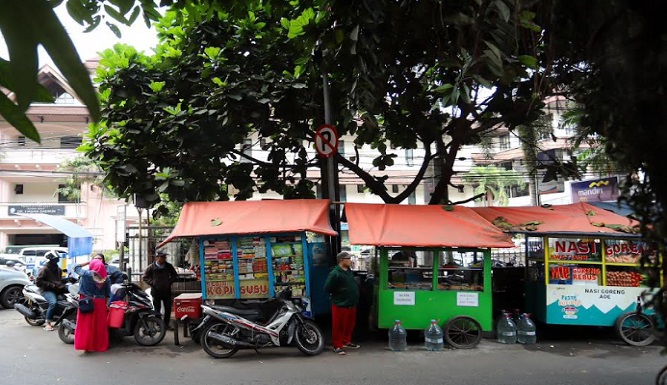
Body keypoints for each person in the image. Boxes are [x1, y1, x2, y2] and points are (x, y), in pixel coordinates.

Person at [324, 251, 360, 355]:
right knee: (339, 326)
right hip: (340, 304)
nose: (350, 260)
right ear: (341, 260)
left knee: (349, 324)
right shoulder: (335, 273)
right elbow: (327, 287)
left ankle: (346, 341)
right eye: (348, 259)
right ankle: (337, 346)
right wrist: (340, 292)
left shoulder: (348, 271)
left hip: (351, 303)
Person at [73, 259, 110, 352]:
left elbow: (75, 267)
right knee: (100, 326)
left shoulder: (86, 274)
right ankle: (99, 346)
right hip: (100, 302)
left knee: (85, 325)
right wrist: (106, 305)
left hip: (86, 301)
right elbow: (107, 294)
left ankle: (86, 346)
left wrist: (88, 262)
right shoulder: (106, 278)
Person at [143, 250, 178, 330]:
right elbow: (145, 277)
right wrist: (153, 283)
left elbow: (175, 275)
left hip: (166, 291)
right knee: (157, 309)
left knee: (168, 308)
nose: (164, 259)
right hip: (156, 291)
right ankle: (159, 325)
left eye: (164, 257)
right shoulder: (151, 267)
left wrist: (169, 282)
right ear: (157, 258)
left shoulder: (168, 266)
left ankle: (166, 324)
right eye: (162, 257)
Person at [35, 251, 66, 331]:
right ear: (50, 260)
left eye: (58, 258)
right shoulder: (44, 269)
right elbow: (38, 282)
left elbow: (59, 281)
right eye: (55, 259)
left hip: (57, 289)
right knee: (53, 303)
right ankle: (47, 323)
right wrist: (51, 285)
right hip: (46, 290)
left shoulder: (58, 269)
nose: (57, 260)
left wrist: (68, 280)